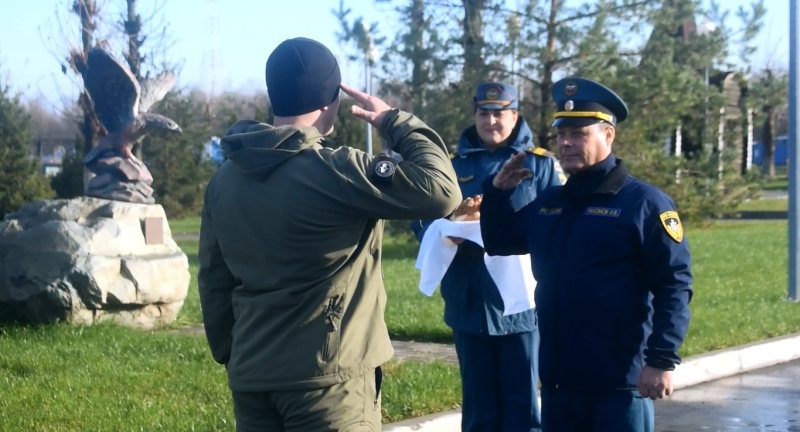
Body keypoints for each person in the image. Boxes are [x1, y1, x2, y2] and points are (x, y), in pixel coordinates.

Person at [197, 37, 462, 432]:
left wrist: (233, 354)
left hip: (252, 375)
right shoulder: (336, 170)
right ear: (332, 100)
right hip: (328, 380)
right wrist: (394, 121)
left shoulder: (225, 179)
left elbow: (213, 279)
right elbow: (442, 191)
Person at [480, 77, 694, 432]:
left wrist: (661, 358)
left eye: (579, 133)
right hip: (559, 381)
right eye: (562, 134)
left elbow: (674, 282)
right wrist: (498, 194)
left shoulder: (643, 203)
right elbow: (501, 242)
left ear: (608, 136)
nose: (566, 143)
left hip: (620, 383)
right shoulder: (551, 203)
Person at [411, 82, 564, 432]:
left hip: (520, 304)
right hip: (469, 297)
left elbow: (556, 219)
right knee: (479, 410)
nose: (490, 121)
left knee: (522, 406)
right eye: (484, 113)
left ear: (514, 116)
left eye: (499, 114)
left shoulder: (540, 165)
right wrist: (443, 231)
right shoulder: (451, 165)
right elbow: (422, 217)